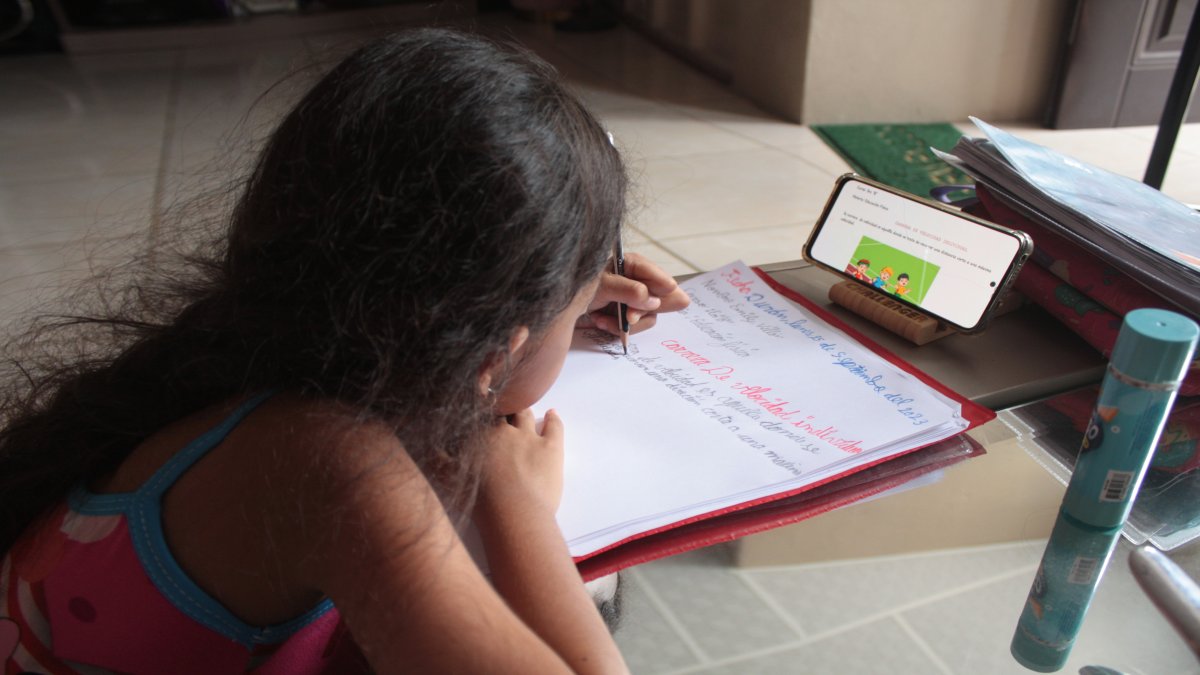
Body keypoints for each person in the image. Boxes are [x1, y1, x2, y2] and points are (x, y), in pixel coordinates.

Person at [0, 28, 688, 674]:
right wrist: (518, 506)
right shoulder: (334, 466)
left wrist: (559, 296)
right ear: (491, 357)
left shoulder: (266, 348)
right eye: (570, 314)